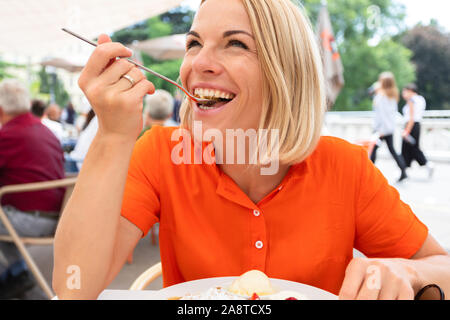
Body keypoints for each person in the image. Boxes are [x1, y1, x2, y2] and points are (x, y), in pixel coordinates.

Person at [53, 0, 450, 300]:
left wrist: (405, 272)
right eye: (194, 43)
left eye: (235, 44)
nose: (199, 62)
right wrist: (112, 134)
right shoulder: (161, 154)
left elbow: (441, 269)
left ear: (285, 71)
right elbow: (73, 287)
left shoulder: (344, 167)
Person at [0, 79, 65, 299]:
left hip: (29, 218)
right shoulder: (45, 131)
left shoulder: (8, 136)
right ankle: (18, 276)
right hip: (55, 215)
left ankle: (15, 277)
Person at [370, 72, 407, 182]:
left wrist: (379, 130)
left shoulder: (381, 97)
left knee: (373, 150)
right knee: (391, 150)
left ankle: (370, 173)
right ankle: (403, 170)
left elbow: (380, 116)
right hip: (389, 128)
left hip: (381, 129)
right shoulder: (393, 96)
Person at [401, 83, 434, 179]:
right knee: (411, 148)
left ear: (410, 91)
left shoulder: (411, 100)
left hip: (410, 125)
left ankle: (405, 168)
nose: (403, 94)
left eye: (404, 92)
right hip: (417, 125)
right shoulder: (421, 99)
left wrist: (406, 131)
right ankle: (405, 169)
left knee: (409, 148)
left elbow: (411, 118)